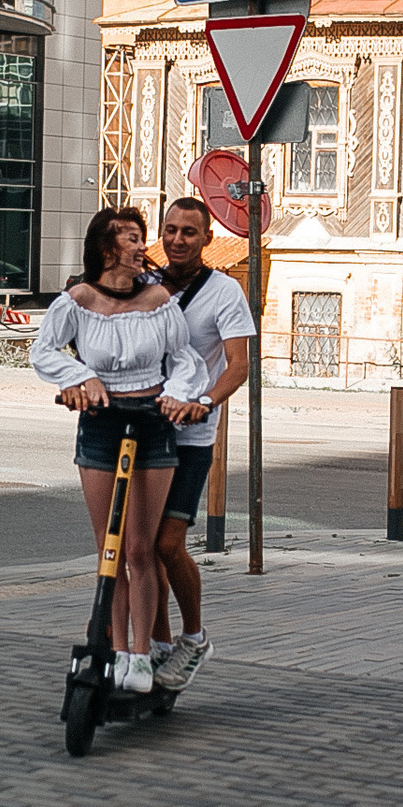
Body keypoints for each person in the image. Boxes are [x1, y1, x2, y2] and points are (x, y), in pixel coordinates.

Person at [33, 207, 208, 695]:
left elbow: (186, 360)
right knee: (109, 549)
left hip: (152, 424)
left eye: (140, 238)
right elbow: (44, 351)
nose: (140, 246)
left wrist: (178, 393)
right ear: (106, 248)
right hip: (101, 427)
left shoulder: (158, 300)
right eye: (130, 238)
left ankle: (139, 655)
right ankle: (111, 649)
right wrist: (79, 377)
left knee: (139, 549)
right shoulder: (78, 301)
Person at [147, 198, 256, 689]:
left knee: (169, 544)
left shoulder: (224, 292)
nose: (177, 240)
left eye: (189, 232)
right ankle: (159, 647)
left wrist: (206, 402)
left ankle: (194, 638)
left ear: (207, 238)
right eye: (170, 230)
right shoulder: (146, 284)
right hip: (146, 428)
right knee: (140, 548)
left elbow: (238, 364)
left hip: (191, 435)